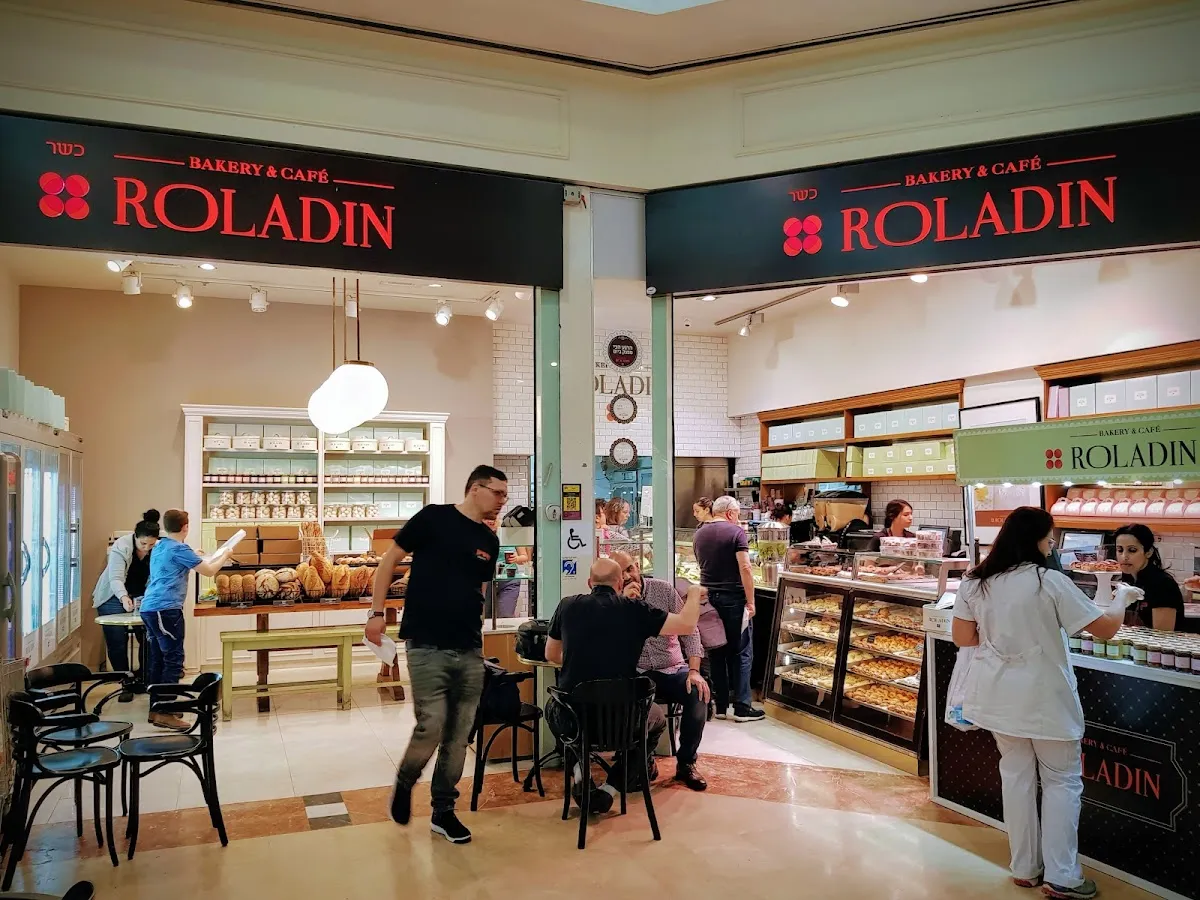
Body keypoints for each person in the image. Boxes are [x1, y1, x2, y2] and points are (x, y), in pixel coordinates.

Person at [952, 506, 1132, 900]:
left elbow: (963, 638)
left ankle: (1025, 868)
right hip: (1046, 698)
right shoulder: (1048, 581)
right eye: (1049, 539)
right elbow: (1105, 629)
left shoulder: (975, 583)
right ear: (1036, 540)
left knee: (1015, 778)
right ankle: (1063, 876)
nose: (1051, 545)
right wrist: (1121, 597)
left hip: (998, 698)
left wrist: (1004, 643)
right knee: (1061, 782)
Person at [366, 464, 505, 845]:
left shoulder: (489, 541)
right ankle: (406, 780)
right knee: (432, 724)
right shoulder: (433, 518)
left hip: (469, 647)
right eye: (497, 493)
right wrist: (376, 613)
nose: (502, 501)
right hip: (426, 642)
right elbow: (388, 561)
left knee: (459, 735)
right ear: (475, 488)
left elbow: (479, 588)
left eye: (505, 496)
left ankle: (443, 810)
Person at [544, 557, 705, 813]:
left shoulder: (567, 605)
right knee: (656, 721)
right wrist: (694, 592)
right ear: (619, 583)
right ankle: (611, 787)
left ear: (589, 583)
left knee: (552, 708)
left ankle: (579, 768)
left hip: (573, 718)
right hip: (623, 721)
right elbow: (686, 624)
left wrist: (583, 657)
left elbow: (551, 654)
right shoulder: (634, 610)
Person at [610, 550, 709, 791]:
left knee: (698, 694)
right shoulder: (612, 601)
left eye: (630, 569)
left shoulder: (663, 590)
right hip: (637, 671)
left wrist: (694, 670)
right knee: (630, 701)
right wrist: (623, 605)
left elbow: (690, 631)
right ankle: (642, 759)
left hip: (672, 667)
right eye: (621, 573)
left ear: (637, 566)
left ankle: (686, 763)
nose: (628, 576)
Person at [140, 509, 234, 731]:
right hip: (166, 609)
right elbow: (209, 571)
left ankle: (157, 708)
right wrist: (225, 555)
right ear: (185, 527)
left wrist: (195, 554)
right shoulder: (180, 549)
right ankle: (165, 713)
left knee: (158, 659)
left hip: (150, 608)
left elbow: (179, 559)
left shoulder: (161, 545)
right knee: (173, 659)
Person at [692, 496, 764, 722]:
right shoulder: (736, 533)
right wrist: (751, 601)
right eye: (738, 514)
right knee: (741, 652)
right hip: (733, 598)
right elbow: (745, 566)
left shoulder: (699, 533)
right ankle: (742, 707)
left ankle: (721, 705)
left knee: (716, 652)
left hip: (708, 599)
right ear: (731, 513)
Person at [92, 509, 159, 674]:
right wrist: (123, 597)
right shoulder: (122, 546)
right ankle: (124, 679)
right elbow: (115, 578)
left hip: (141, 596)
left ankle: (145, 677)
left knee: (148, 638)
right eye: (143, 544)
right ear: (135, 537)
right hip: (112, 596)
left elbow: (154, 578)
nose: (146, 548)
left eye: (151, 545)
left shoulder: (157, 549)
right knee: (117, 642)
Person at [1113, 523, 1185, 632]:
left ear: (1148, 552)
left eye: (1132, 550)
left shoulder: (1163, 584)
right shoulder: (1125, 581)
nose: (1124, 556)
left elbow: (1162, 634)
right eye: (1120, 550)